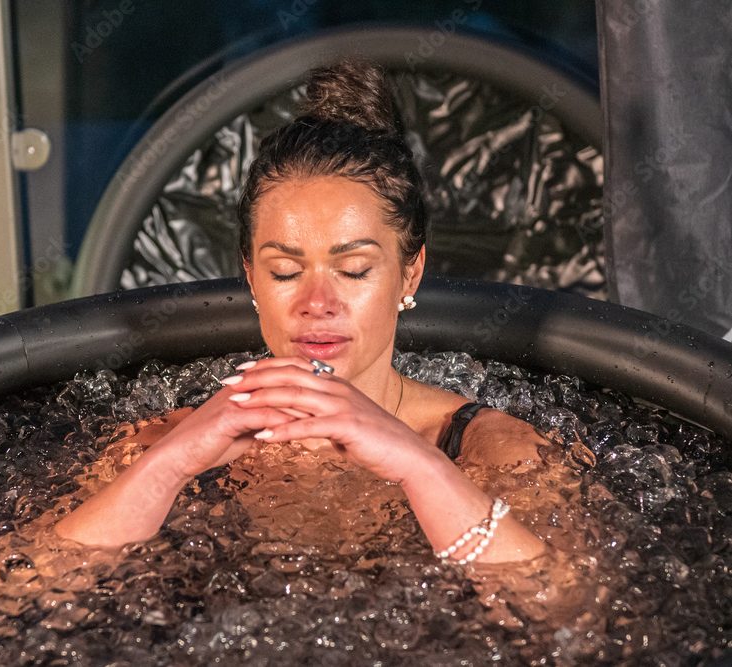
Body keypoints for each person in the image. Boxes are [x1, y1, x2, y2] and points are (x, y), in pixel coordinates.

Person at [55, 59, 551, 566]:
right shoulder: (162, 441)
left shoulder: (490, 449)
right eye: (286, 272)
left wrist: (419, 464)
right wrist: (171, 463)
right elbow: (10, 596)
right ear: (250, 276)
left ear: (410, 273)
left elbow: (573, 606)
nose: (317, 304)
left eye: (354, 269)